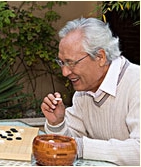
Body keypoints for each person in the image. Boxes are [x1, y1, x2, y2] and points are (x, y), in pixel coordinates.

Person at [41, 17, 139, 166]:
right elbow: (69, 144)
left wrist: (82, 147)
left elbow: (139, 151)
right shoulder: (83, 92)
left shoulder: (136, 83)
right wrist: (57, 123)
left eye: (71, 62)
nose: (65, 72)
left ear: (100, 57)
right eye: (62, 63)